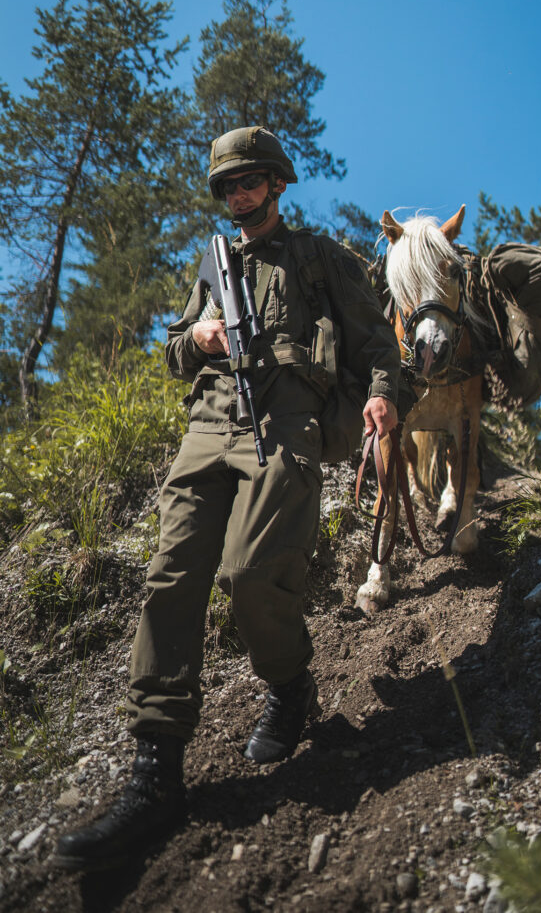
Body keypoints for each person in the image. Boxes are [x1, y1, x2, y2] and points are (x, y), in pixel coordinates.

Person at [54, 126, 401, 872]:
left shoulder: (319, 257)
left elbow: (378, 343)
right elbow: (174, 351)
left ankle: (288, 684)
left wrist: (379, 398)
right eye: (226, 187)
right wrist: (202, 336)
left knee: (251, 575)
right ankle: (154, 771)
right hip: (208, 425)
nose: (237, 196)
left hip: (286, 419)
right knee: (170, 577)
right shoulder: (212, 265)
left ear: (277, 182)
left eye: (249, 182)